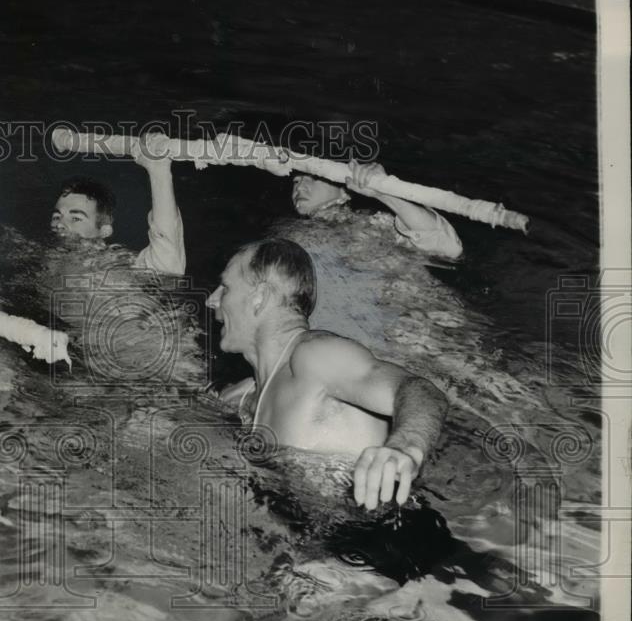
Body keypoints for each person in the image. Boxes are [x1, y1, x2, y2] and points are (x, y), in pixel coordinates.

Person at [207, 237, 449, 511]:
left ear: (259, 297)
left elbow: (420, 390)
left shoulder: (314, 358)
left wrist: (404, 448)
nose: (211, 300)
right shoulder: (241, 397)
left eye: (225, 288)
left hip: (379, 541)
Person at [50, 132, 185, 275]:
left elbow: (168, 266)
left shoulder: (113, 266)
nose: (59, 224)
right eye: (56, 216)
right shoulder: (48, 260)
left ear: (104, 230)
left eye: (76, 218)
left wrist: (158, 171)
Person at [291, 160, 463, 260]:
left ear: (345, 192)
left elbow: (449, 247)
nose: (300, 188)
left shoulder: (373, 225)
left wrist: (383, 193)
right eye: (296, 181)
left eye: (313, 178)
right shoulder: (290, 234)